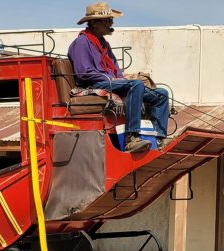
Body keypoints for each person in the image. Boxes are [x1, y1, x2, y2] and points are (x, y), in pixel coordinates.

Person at [68, 2, 170, 153]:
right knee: (135, 85)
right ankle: (131, 137)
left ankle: (159, 137)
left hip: (111, 82)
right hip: (95, 85)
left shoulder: (104, 45)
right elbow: (84, 73)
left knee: (162, 94)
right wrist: (114, 79)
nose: (111, 23)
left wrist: (122, 78)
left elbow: (116, 70)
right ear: (95, 23)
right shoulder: (81, 43)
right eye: (108, 20)